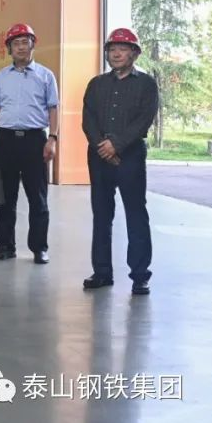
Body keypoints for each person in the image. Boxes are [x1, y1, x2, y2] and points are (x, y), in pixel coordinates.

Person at [82, 28, 158, 295]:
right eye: (112, 49)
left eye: (123, 49)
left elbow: (144, 120)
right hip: (99, 156)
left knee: (136, 213)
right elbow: (88, 119)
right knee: (101, 214)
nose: (116, 54)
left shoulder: (146, 84)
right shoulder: (96, 84)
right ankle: (102, 272)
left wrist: (117, 145)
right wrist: (102, 146)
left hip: (131, 156)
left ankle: (140, 276)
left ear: (134, 54)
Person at [0, 23, 59, 264]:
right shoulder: (1, 77)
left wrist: (52, 138)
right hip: (6, 140)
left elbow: (53, 109)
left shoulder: (46, 76)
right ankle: (6, 246)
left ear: (32, 45)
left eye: (25, 42)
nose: (20, 47)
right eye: (15, 43)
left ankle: (39, 248)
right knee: (6, 197)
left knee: (38, 198)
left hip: (35, 141)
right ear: (9, 48)